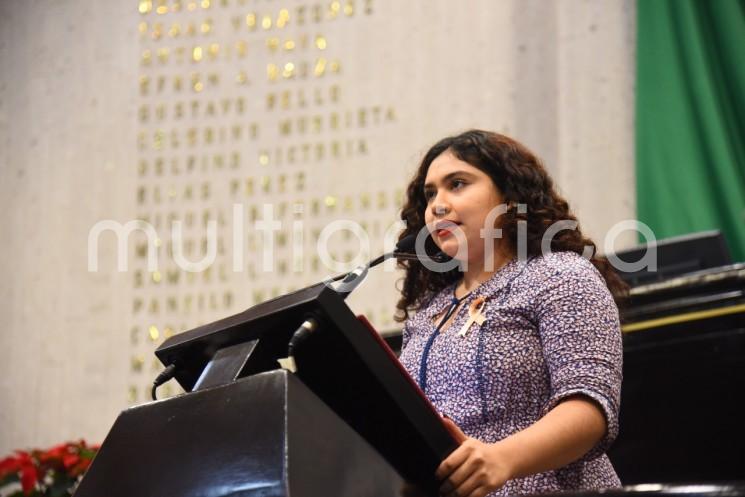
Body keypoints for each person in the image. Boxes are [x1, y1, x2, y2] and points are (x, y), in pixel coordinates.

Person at [395, 130, 628, 497]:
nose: (437, 205)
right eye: (430, 193)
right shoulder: (429, 312)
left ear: (508, 195)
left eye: (457, 184)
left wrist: (502, 458)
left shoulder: (560, 275)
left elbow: (590, 406)